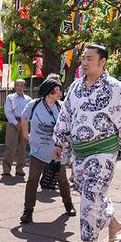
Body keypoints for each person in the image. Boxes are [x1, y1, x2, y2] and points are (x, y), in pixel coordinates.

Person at [53, 44, 121, 242]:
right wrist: (59, 141)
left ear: (102, 61)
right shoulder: (76, 86)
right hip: (79, 154)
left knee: (90, 197)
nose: (84, 62)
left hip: (103, 153)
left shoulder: (116, 88)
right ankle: (114, 224)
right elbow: (66, 115)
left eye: (89, 58)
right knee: (93, 196)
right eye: (83, 58)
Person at [19, 78, 75, 224]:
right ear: (47, 92)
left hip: (57, 151)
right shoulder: (35, 104)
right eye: (54, 91)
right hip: (38, 151)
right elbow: (24, 118)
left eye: (59, 90)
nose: (58, 93)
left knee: (62, 180)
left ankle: (68, 205)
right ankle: (28, 211)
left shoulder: (62, 106)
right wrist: (26, 134)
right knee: (32, 180)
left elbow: (69, 126)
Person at [2, 79, 32, 177]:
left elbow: (30, 112)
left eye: (21, 85)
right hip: (12, 123)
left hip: (24, 122)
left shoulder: (28, 99)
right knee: (10, 146)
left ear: (25, 87)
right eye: (17, 85)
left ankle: (20, 169)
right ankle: (6, 169)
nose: (19, 87)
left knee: (23, 147)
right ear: (15, 86)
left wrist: (24, 123)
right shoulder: (10, 97)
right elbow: (8, 112)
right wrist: (16, 123)